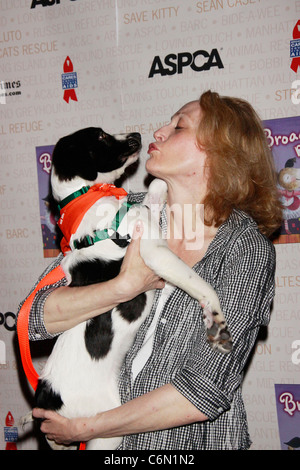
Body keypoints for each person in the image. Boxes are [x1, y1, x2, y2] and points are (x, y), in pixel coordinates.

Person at [17, 90, 282, 450]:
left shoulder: (244, 250)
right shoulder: (120, 211)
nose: (158, 132)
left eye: (178, 127)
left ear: (220, 150)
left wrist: (87, 428)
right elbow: (32, 319)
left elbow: (204, 388)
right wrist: (123, 286)